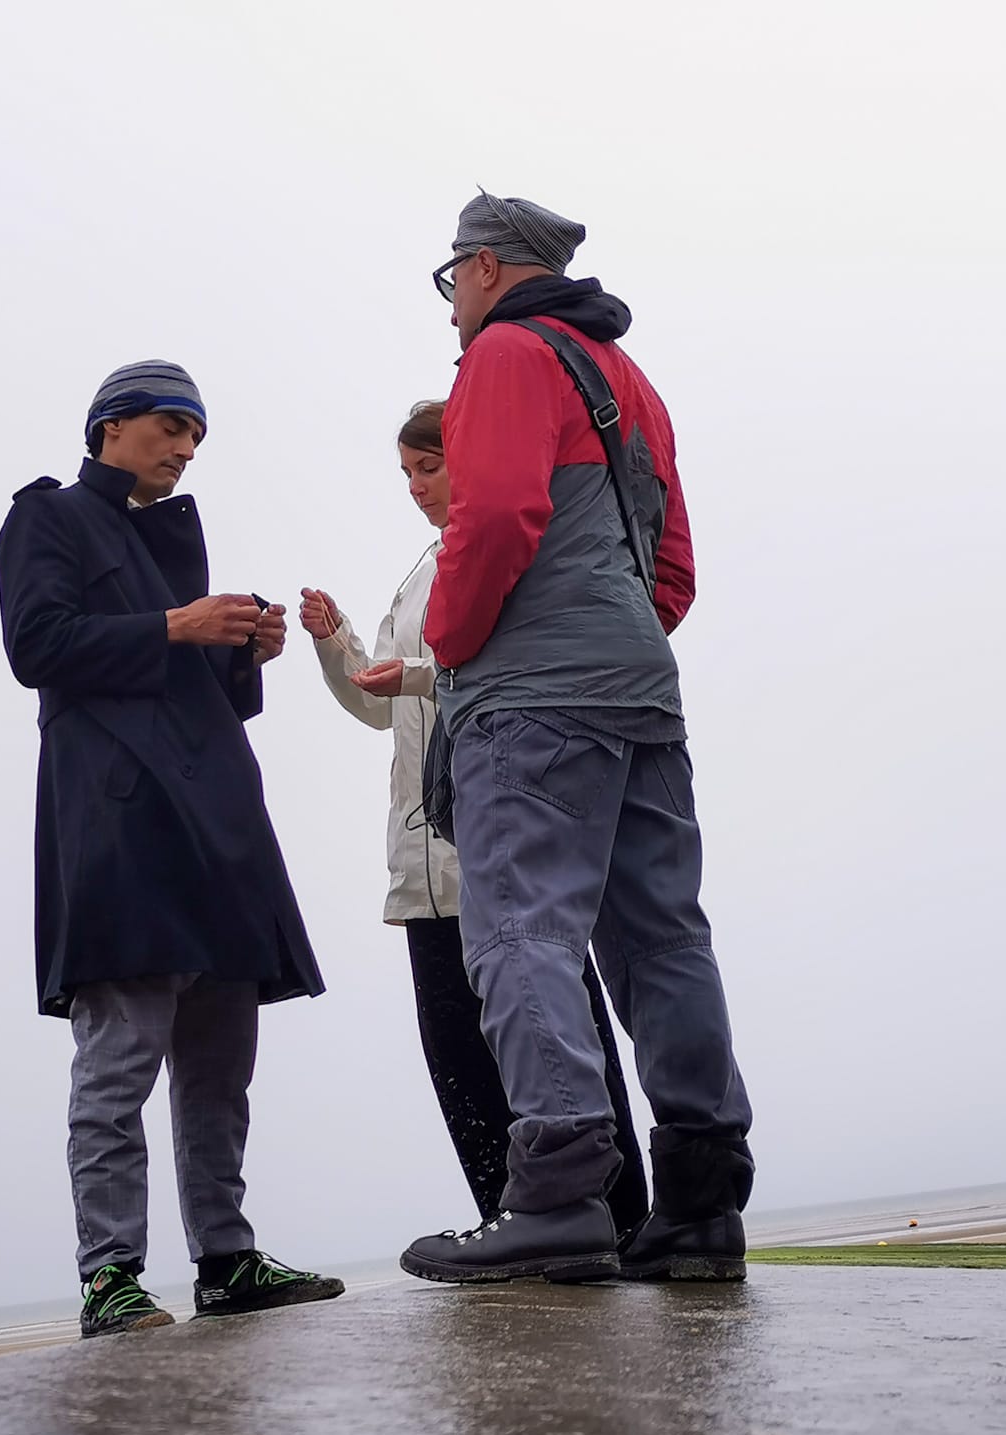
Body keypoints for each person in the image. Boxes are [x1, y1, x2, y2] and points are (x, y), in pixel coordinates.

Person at [398, 194, 756, 1287]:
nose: (449, 298)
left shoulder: (504, 354)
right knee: (661, 939)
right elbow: (673, 565)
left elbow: (496, 514)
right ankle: (697, 1205)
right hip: (639, 688)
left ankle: (556, 1192)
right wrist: (616, 639)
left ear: (489, 269)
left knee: (517, 929)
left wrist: (456, 648)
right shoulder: (627, 381)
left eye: (451, 274)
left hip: (531, 697)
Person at [0, 359, 345, 1337]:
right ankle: (109, 1274)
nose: (186, 447)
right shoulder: (47, 518)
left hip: (219, 824)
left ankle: (226, 1259)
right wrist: (175, 623)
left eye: (195, 433)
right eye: (168, 425)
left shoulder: (169, 539)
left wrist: (240, 654)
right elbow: (37, 649)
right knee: (118, 1057)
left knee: (219, 1063)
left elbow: (193, 692)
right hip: (116, 822)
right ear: (109, 427)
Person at [296, 400, 649, 1239]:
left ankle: (623, 1217)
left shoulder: (516, 542)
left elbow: (496, 663)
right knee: (457, 1057)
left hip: (503, 841)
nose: (419, 486)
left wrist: (415, 678)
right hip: (421, 865)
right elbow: (379, 706)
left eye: (432, 465)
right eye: (409, 473)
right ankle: (507, 1219)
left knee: (558, 1032)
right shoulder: (420, 573)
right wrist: (334, 643)